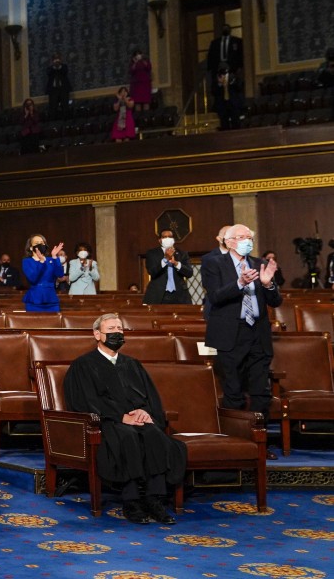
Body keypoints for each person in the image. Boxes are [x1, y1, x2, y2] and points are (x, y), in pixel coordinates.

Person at [64, 313, 186, 525]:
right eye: (111, 329)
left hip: (136, 419)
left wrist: (144, 412)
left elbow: (149, 397)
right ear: (97, 334)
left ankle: (154, 499)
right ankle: (131, 501)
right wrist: (121, 417)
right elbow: (84, 402)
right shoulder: (83, 365)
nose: (117, 333)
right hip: (107, 422)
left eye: (120, 329)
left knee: (153, 434)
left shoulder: (132, 364)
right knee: (127, 437)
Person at [203, 224, 282, 458]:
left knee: (260, 392)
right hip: (230, 333)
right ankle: (235, 442)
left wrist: (268, 284)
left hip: (258, 333)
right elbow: (215, 296)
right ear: (228, 242)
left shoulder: (260, 263)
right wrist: (239, 283)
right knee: (234, 391)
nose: (246, 240)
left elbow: (275, 302)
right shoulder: (214, 263)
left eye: (249, 237)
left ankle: (259, 442)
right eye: (240, 237)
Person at [143, 229, 193, 305]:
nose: (167, 239)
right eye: (164, 237)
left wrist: (176, 263)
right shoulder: (152, 253)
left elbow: (189, 273)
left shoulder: (182, 254)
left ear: (173, 240)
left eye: (169, 237)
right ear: (160, 240)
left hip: (179, 295)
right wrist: (165, 259)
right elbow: (152, 271)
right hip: (159, 295)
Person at [22, 233, 65, 312]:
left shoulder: (51, 260)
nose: (40, 245)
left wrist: (55, 257)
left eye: (42, 243)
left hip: (51, 299)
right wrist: (41, 262)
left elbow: (60, 274)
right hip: (35, 300)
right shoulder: (27, 261)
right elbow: (33, 279)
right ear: (31, 247)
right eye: (37, 243)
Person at [212, 63, 243, 131]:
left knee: (236, 122)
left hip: (233, 103)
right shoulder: (217, 79)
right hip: (222, 104)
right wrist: (220, 84)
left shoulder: (233, 77)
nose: (223, 74)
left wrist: (231, 82)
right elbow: (213, 92)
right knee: (224, 123)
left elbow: (239, 88)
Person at [45, 54, 72, 119]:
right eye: (55, 59)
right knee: (53, 107)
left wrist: (59, 66)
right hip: (53, 90)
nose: (56, 61)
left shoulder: (64, 66)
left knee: (65, 106)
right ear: (52, 61)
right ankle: (54, 121)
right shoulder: (50, 68)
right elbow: (49, 73)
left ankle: (66, 120)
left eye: (58, 59)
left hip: (63, 90)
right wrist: (54, 67)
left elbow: (64, 71)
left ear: (60, 60)